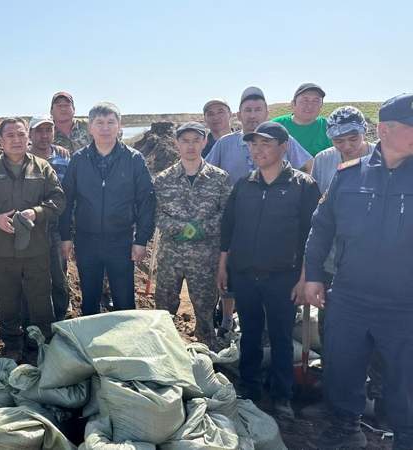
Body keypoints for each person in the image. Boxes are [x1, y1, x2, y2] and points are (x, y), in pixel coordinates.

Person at [304, 93, 413, 449]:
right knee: (343, 369)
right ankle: (345, 429)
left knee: (404, 380)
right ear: (384, 130)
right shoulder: (348, 176)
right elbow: (321, 228)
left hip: (404, 302)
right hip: (351, 297)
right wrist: (314, 274)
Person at [217, 121, 320, 421]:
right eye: (253, 144)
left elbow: (312, 237)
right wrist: (223, 265)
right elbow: (229, 228)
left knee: (280, 337)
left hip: (283, 277)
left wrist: (304, 278)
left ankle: (282, 396)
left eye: (266, 144)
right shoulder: (244, 185)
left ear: (283, 147)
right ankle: (249, 389)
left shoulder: (303, 186)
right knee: (248, 334)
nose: (258, 150)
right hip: (246, 274)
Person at [0, 117, 64, 361]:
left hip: (36, 249)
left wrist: (37, 212)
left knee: (40, 298)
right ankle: (12, 342)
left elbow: (58, 200)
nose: (16, 140)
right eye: (10, 135)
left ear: (27, 137)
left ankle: (39, 343)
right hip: (3, 251)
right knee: (8, 299)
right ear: (0, 141)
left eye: (21, 134)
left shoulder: (42, 168)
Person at [59, 102, 156, 315]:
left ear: (119, 126)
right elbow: (66, 200)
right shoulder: (79, 159)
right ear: (90, 128)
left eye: (111, 122)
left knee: (124, 300)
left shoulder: (133, 159)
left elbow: (146, 201)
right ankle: (91, 346)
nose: (105, 128)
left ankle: (125, 344)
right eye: (99, 123)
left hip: (120, 240)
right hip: (87, 240)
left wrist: (141, 240)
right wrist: (65, 236)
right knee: (90, 299)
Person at [153, 122, 230, 348]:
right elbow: (156, 215)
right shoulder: (162, 179)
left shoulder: (220, 178)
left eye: (196, 140)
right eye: (185, 141)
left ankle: (208, 354)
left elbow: (227, 215)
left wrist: (201, 229)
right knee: (163, 312)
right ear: (176, 144)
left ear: (205, 142)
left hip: (205, 258)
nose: (191, 146)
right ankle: (164, 351)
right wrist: (182, 229)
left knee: (205, 313)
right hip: (171, 258)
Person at [206, 86, 313, 185]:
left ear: (267, 113)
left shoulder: (283, 140)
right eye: (248, 110)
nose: (252, 115)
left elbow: (308, 166)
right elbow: (205, 173)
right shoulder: (224, 144)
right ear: (239, 115)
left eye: (258, 110)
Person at [28, 114, 71, 320]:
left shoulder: (64, 158)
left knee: (59, 275)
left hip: (58, 226)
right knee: (32, 275)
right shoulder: (22, 158)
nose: (44, 135)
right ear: (30, 134)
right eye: (39, 131)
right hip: (31, 226)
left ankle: (60, 316)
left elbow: (71, 193)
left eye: (48, 130)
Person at [272, 83, 332, 157]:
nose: (310, 106)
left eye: (315, 101)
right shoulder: (276, 126)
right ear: (293, 104)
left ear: (321, 105)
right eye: (305, 100)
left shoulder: (329, 127)